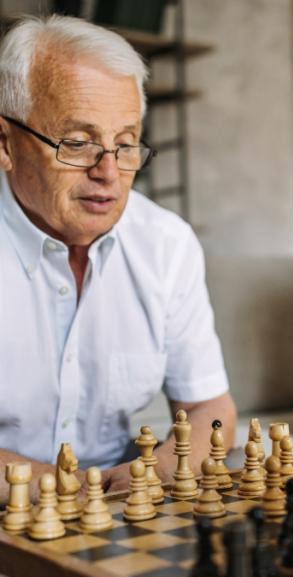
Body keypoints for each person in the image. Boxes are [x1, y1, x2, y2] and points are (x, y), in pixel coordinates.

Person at [0, 15, 236, 503]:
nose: (108, 172)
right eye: (78, 143)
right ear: (6, 143)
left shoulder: (166, 244)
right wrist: (56, 487)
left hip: (115, 502)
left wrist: (163, 466)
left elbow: (211, 406)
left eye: (126, 145)